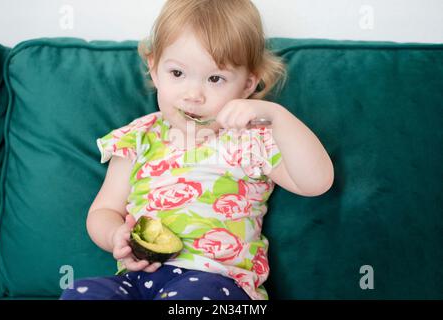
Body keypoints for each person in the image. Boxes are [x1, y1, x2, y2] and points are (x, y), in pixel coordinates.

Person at [60, 0, 334, 300]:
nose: (193, 96)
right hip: (140, 280)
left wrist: (279, 118)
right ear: (154, 69)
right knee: (81, 293)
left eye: (215, 79)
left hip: (220, 284)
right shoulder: (138, 137)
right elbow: (103, 211)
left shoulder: (253, 138)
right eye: (177, 74)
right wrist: (115, 235)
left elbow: (316, 182)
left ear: (247, 86)